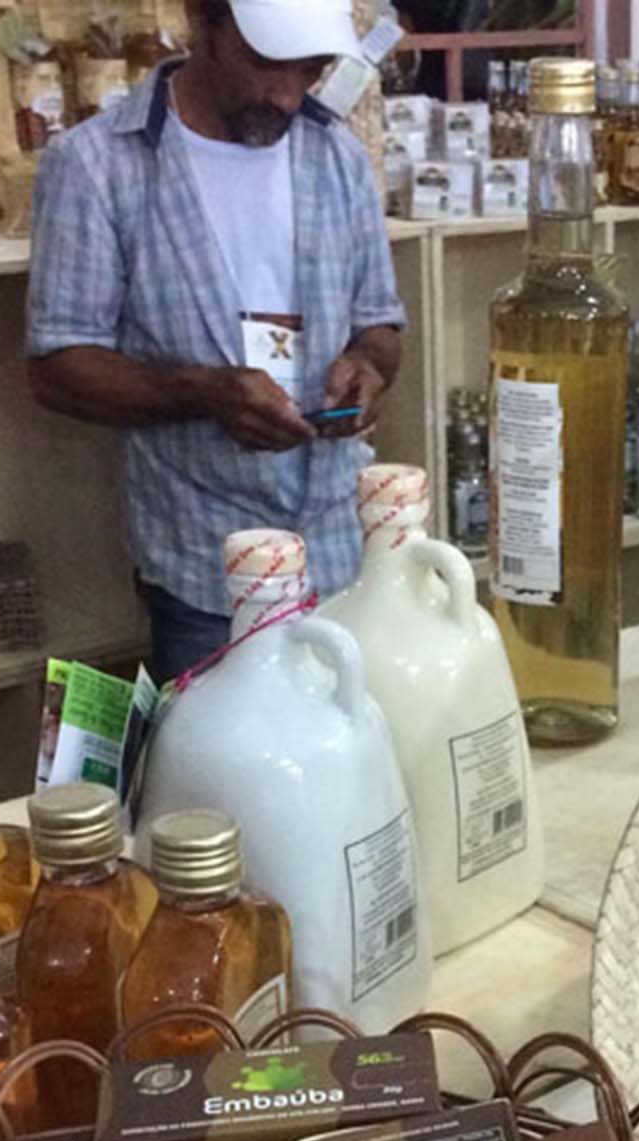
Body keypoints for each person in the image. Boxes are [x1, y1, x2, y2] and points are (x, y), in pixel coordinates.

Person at [26, 0, 407, 683]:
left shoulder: (337, 157)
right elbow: (58, 366)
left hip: (343, 549)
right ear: (203, 23)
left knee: (358, 773)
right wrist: (203, 392)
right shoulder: (97, 166)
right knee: (223, 784)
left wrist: (369, 364)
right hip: (204, 564)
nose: (287, 95)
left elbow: (380, 321)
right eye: (265, 65)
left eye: (310, 71)